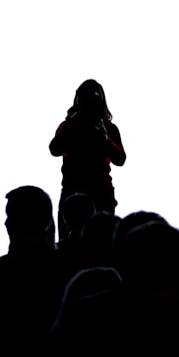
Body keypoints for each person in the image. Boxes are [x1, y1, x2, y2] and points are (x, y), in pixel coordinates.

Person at [49, 79, 126, 239]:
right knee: (67, 247)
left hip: (101, 195)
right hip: (72, 195)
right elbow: (54, 149)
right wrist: (72, 123)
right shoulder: (68, 126)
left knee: (103, 245)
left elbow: (120, 159)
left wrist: (105, 139)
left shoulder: (108, 128)